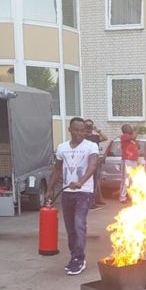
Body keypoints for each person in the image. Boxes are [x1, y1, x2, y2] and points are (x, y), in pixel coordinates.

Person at [46, 117, 98, 275]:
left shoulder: (91, 146)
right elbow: (57, 170)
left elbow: (92, 166)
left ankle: (79, 259)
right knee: (70, 228)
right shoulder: (62, 147)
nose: (80, 133)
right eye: (76, 130)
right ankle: (74, 256)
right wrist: (49, 190)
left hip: (84, 192)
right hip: (67, 192)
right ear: (70, 130)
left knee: (78, 224)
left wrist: (81, 182)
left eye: (82, 130)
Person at [84, 119, 107, 209]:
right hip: (86, 163)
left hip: (95, 162)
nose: (89, 127)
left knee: (95, 182)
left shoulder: (95, 137)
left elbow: (105, 138)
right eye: (87, 125)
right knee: (88, 183)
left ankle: (94, 201)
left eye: (90, 125)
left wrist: (97, 130)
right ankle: (90, 203)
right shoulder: (82, 137)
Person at [119, 123, 139, 204]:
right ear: (125, 130)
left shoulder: (131, 139)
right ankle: (122, 197)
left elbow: (138, 146)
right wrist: (137, 130)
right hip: (127, 160)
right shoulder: (124, 136)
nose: (131, 128)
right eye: (129, 128)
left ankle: (131, 196)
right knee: (125, 179)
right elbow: (134, 137)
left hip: (134, 160)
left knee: (132, 179)